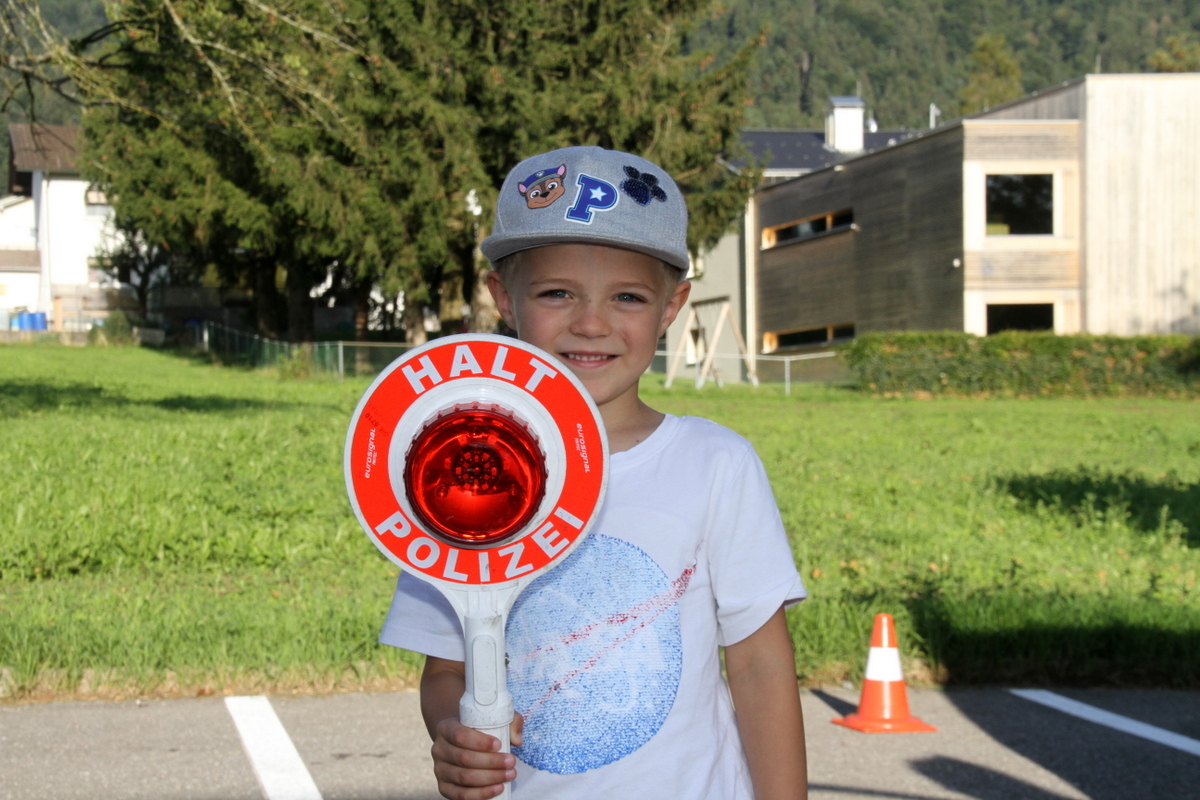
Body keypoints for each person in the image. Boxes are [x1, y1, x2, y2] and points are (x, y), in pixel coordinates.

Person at [380, 145, 808, 800]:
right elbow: (446, 671)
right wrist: (452, 732)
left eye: (628, 297)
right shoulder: (455, 471)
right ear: (504, 297)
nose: (591, 323)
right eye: (557, 293)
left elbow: (760, 665)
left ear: (671, 306)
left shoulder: (715, 463)